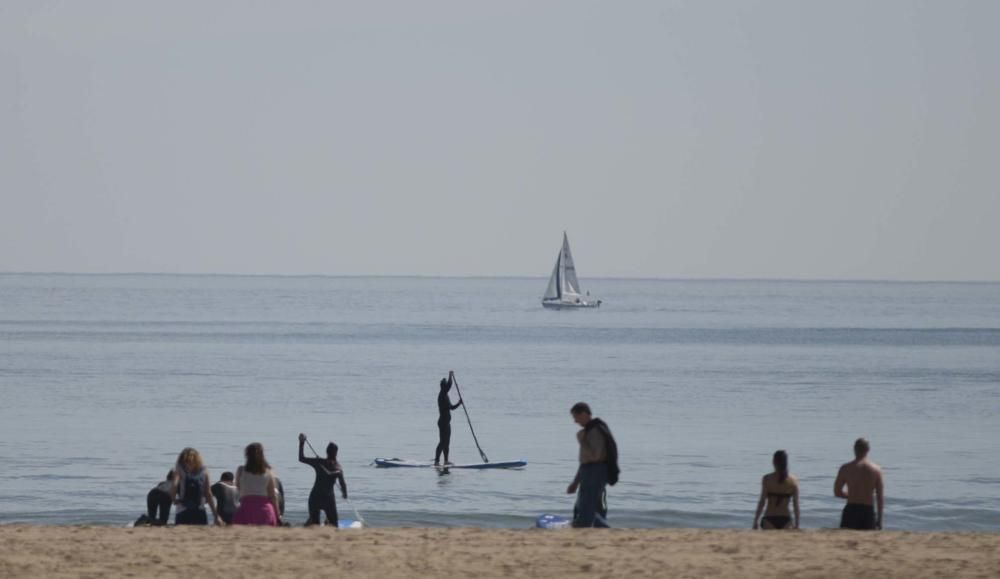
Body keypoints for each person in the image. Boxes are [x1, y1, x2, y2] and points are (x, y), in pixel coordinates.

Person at [566, 402, 619, 528]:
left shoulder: (595, 430)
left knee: (586, 509)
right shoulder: (589, 430)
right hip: (589, 471)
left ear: (584, 414)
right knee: (583, 506)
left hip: (596, 471)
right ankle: (600, 528)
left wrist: (581, 438)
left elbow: (596, 456)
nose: (575, 421)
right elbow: (584, 462)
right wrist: (575, 482)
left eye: (576, 417)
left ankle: (595, 528)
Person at [834, 437, 885, 530]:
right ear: (868, 450)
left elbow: (837, 492)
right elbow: (880, 497)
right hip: (867, 510)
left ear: (854, 449)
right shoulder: (876, 470)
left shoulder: (845, 468)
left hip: (851, 510)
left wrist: (851, 495)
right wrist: (880, 520)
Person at [299, 433, 347, 526]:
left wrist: (301, 443)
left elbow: (301, 458)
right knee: (334, 525)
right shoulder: (338, 467)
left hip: (315, 498)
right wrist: (344, 494)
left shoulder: (319, 462)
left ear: (326, 451)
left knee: (315, 525)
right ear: (336, 453)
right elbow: (343, 484)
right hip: (328, 499)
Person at [232, 443, 281, 526]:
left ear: (247, 455)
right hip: (265, 510)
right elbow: (273, 496)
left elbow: (238, 487)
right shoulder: (268, 472)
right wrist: (277, 515)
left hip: (246, 508)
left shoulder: (241, 470)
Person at [172, 447, 222, 526]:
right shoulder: (204, 470)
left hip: (182, 509)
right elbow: (208, 493)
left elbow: (174, 485)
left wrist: (174, 499)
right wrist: (216, 515)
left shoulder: (179, 469)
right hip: (200, 509)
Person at [753, 450, 800, 530]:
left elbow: (762, 501)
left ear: (774, 462)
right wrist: (797, 524)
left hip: (769, 518)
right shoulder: (793, 481)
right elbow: (796, 505)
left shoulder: (767, 479)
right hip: (786, 520)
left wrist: (756, 520)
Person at [434, 370, 463, 466]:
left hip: (447, 423)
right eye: (446, 385)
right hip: (442, 423)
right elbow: (450, 385)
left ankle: (446, 461)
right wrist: (450, 375)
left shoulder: (445, 395)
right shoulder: (442, 395)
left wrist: (459, 403)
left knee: (447, 442)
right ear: (443, 386)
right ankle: (436, 461)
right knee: (442, 442)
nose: (447, 386)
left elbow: (451, 407)